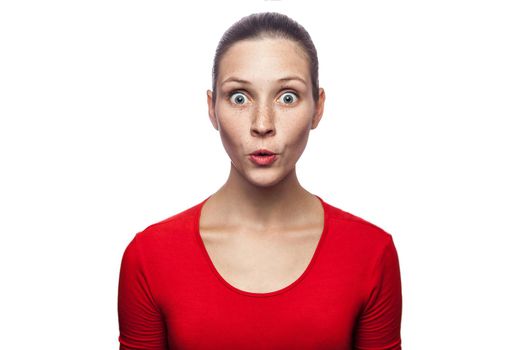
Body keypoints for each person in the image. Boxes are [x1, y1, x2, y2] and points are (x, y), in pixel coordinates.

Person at [117, 11, 402, 350]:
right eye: (239, 97)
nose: (262, 124)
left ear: (318, 108)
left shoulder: (370, 253)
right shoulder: (150, 257)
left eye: (287, 97)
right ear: (212, 109)